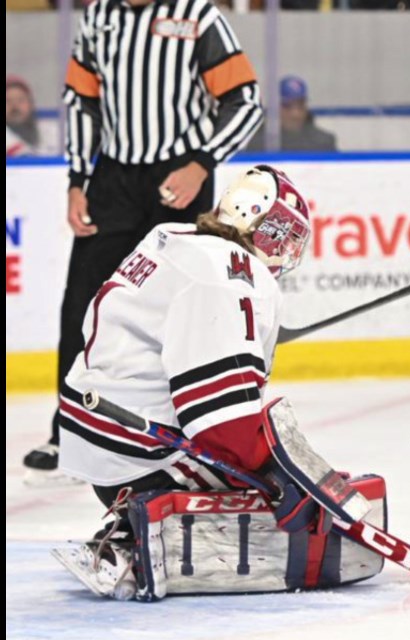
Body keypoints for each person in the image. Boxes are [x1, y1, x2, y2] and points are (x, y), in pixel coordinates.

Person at [54, 166, 386, 601]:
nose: (286, 254)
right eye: (287, 239)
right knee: (276, 493)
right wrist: (282, 474)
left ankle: (130, 519)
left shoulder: (175, 237)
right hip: (142, 457)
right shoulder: (230, 275)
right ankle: (133, 532)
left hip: (96, 429)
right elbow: (220, 426)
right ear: (270, 231)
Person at [23, 0, 264, 484]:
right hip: (112, 181)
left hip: (180, 177)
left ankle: (176, 433)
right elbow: (80, 100)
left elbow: (246, 100)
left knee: (179, 313)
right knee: (84, 309)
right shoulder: (98, 17)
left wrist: (202, 163)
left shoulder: (198, 16)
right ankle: (70, 431)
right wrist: (77, 178)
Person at [247, 75, 338, 152]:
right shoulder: (259, 144)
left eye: (300, 105)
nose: (295, 114)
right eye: (287, 106)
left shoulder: (323, 142)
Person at [6, 75, 58, 157]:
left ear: (31, 104)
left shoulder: (49, 132)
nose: (14, 106)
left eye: (20, 100)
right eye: (8, 101)